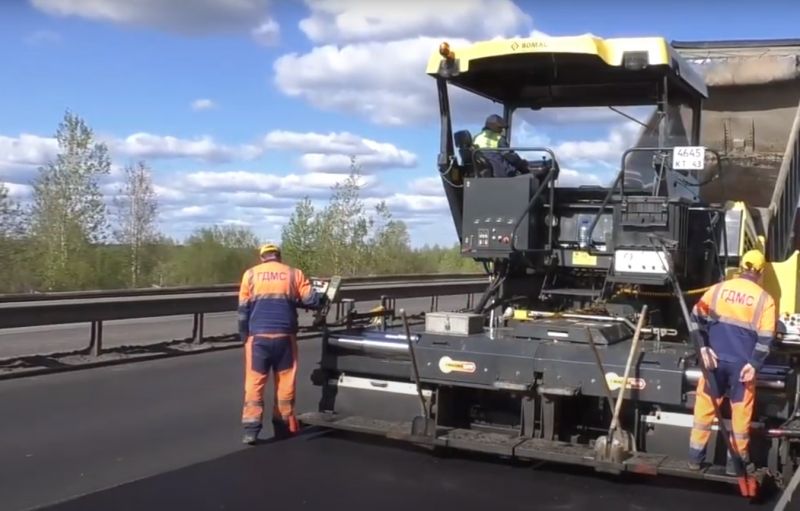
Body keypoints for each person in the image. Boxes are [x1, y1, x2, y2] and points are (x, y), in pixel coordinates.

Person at [687, 248, 776, 474]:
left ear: (740, 267)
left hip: (713, 362)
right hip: (742, 367)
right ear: (760, 272)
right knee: (740, 415)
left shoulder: (717, 290)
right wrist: (754, 364)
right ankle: (735, 464)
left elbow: (695, 319)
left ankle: (695, 460)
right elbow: (766, 339)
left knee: (704, 411)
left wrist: (703, 348)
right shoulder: (765, 300)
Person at [237, 242, 326, 445]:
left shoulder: (250, 274)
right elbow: (311, 300)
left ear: (262, 257)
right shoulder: (294, 274)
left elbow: (243, 311)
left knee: (255, 383)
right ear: (279, 256)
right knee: (285, 382)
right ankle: (282, 427)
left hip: (258, 338)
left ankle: (251, 430)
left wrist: (244, 336)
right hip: (285, 337)